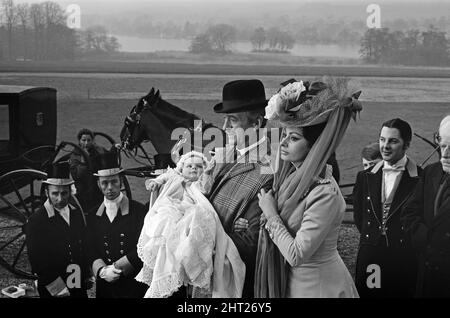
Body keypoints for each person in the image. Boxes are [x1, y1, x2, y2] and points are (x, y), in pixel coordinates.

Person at [254, 77, 361, 298]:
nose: (282, 143)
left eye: (293, 138)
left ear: (314, 146)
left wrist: (271, 214)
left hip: (318, 287)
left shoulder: (324, 192)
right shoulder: (292, 177)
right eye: (283, 135)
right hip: (294, 282)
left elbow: (296, 255)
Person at [135, 151, 245, 298]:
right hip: (173, 207)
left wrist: (207, 173)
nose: (194, 168)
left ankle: (186, 257)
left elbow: (205, 189)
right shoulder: (174, 177)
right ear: (181, 168)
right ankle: (166, 251)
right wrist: (154, 182)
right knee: (165, 216)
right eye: (189, 166)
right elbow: (162, 178)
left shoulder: (198, 185)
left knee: (195, 220)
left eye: (199, 166)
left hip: (190, 210)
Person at [204, 79, 274, 298]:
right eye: (225, 120)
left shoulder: (268, 167)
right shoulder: (227, 155)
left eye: (232, 120)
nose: (224, 128)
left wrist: (199, 242)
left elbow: (253, 242)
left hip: (239, 287)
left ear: (256, 124)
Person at [353, 118, 421, 297]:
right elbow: (360, 217)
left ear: (406, 145)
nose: (385, 146)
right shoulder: (365, 177)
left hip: (404, 258)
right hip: (371, 257)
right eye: (382, 139)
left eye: (393, 141)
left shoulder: (421, 178)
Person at [87, 151, 148, 298]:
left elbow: (144, 247)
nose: (109, 188)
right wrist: (101, 270)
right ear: (98, 184)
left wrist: (117, 267)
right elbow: (89, 247)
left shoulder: (139, 211)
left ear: (121, 180)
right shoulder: (92, 215)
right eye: (104, 183)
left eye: (114, 181)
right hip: (105, 284)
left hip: (132, 284)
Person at [402, 114, 450, 297]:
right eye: (442, 145)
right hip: (428, 275)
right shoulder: (431, 172)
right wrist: (426, 242)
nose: (444, 154)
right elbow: (409, 213)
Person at [26, 162, 90, 298]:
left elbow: (81, 248)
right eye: (55, 193)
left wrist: (85, 275)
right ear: (46, 192)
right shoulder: (36, 221)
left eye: (64, 193)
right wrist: (58, 289)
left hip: (75, 281)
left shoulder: (76, 214)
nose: (60, 199)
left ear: (70, 192)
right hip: (53, 288)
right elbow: (38, 261)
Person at [69, 128, 106, 212]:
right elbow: (77, 175)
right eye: (83, 140)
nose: (86, 143)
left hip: (98, 187)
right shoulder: (75, 155)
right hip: (83, 188)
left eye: (89, 140)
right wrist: (84, 161)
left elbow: (107, 159)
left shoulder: (98, 150)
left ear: (92, 141)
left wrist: (114, 148)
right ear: (79, 141)